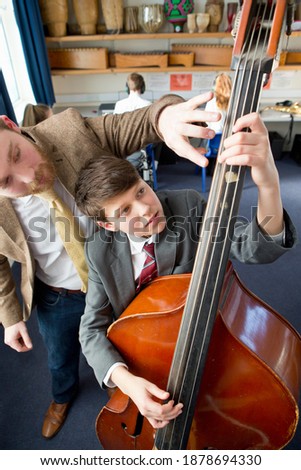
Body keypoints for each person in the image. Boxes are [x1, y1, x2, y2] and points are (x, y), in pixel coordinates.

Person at [0, 91, 221, 439]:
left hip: (117, 279)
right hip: (55, 294)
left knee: (125, 347)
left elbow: (133, 125)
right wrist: (10, 316)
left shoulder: (70, 130)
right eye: (5, 182)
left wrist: (162, 119)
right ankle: (61, 398)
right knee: (59, 357)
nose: (27, 177)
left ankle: (120, 391)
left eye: (16, 154)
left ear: (9, 124)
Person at [74, 111, 297, 430]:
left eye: (140, 190)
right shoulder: (99, 248)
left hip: (204, 346)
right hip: (146, 357)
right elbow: (91, 328)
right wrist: (128, 383)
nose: (146, 208)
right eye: (125, 210)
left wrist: (269, 184)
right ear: (108, 224)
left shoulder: (189, 207)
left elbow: (253, 248)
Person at [114, 73, 152, 172]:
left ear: (127, 87)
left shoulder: (119, 105)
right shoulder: (148, 105)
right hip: (141, 143)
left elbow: (114, 127)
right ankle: (154, 163)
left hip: (122, 143)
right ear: (143, 87)